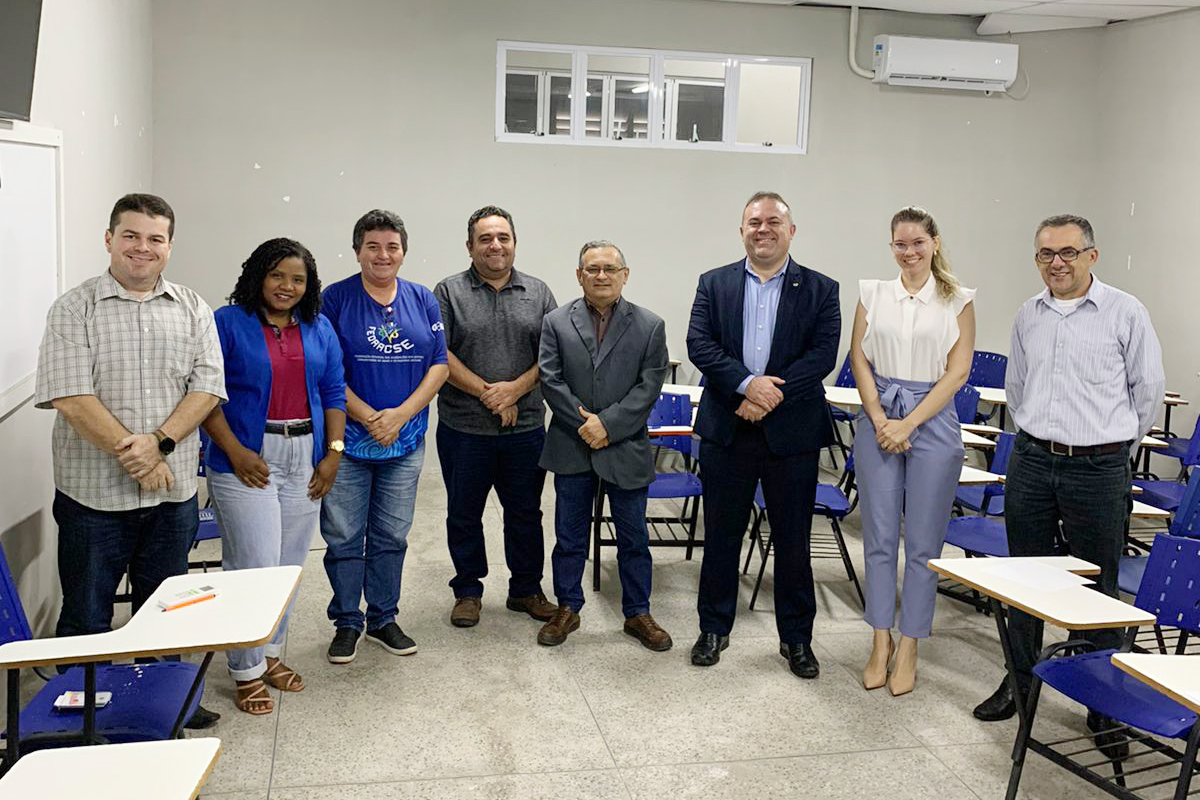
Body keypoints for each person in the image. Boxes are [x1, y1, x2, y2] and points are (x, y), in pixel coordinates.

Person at [34, 193, 225, 727]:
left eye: (155, 238)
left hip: (173, 497)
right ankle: (79, 715)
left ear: (169, 245)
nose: (143, 248)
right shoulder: (74, 309)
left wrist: (159, 444)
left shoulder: (192, 307)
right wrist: (142, 459)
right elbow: (72, 398)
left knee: (165, 608)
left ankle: (166, 703)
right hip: (93, 498)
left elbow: (207, 387)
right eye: (131, 236)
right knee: (89, 611)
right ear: (109, 239)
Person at [973, 214, 1164, 749]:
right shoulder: (1028, 315)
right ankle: (1020, 684)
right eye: (1045, 254)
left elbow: (1147, 392)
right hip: (1032, 461)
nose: (1056, 263)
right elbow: (1017, 385)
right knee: (1025, 581)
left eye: (1068, 253)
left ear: (1091, 256)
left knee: (1098, 589)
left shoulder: (1126, 312)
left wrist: (1113, 452)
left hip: (1098, 467)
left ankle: (1102, 702)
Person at [685, 191, 840, 678]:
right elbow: (699, 343)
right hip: (727, 426)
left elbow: (823, 354)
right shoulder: (714, 283)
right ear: (742, 230)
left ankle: (796, 639)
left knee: (793, 542)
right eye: (754, 221)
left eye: (774, 221)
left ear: (791, 231)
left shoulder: (820, 289)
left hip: (790, 433)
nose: (763, 229)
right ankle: (713, 628)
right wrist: (746, 386)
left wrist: (771, 393)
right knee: (722, 538)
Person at [202, 238, 347, 714]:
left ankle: (269, 654)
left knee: (286, 568)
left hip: (305, 452)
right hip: (248, 455)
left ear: (309, 286)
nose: (287, 286)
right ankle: (244, 669)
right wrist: (234, 451)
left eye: (297, 279)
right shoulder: (227, 323)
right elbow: (205, 394)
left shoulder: (318, 326)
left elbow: (333, 392)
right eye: (277, 275)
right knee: (253, 567)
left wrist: (332, 454)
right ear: (258, 276)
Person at [849, 206, 975, 696]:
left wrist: (909, 423)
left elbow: (958, 371)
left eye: (918, 242)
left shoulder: (958, 300)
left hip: (932, 419)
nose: (909, 252)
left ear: (935, 243)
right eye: (900, 244)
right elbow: (858, 356)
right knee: (879, 537)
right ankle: (880, 639)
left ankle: (911, 642)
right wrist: (881, 418)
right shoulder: (872, 294)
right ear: (892, 247)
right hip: (879, 418)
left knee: (923, 545)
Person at [319, 210, 449, 664]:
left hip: (405, 439)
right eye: (372, 246)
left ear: (403, 252)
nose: (383, 254)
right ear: (357, 251)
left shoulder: (422, 299)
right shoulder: (333, 299)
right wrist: (371, 415)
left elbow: (439, 364)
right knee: (344, 534)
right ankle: (347, 621)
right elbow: (327, 369)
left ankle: (382, 617)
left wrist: (400, 415)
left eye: (391, 246)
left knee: (392, 534)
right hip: (350, 439)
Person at [536, 241, 672, 650]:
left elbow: (650, 385)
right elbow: (550, 378)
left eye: (610, 269)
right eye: (592, 269)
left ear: (624, 275)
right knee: (568, 536)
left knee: (634, 537)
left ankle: (638, 612)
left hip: (625, 446)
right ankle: (567, 607)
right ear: (579, 275)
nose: (601, 276)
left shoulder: (650, 325)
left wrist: (607, 426)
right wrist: (586, 424)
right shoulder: (556, 322)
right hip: (571, 444)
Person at [433, 206, 558, 629]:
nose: (495, 245)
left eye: (502, 237)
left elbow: (553, 356)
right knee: (463, 513)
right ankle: (468, 591)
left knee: (525, 512)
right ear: (470, 246)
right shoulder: (447, 292)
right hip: (463, 428)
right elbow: (440, 356)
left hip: (524, 430)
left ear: (514, 243)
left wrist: (514, 392)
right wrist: (491, 395)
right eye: (485, 238)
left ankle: (525, 589)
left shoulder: (539, 292)